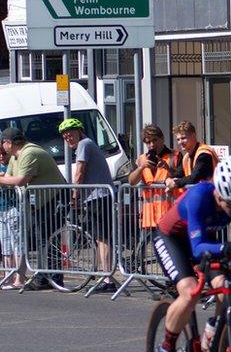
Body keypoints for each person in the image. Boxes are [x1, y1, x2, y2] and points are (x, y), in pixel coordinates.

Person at [152, 157, 231, 352]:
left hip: (204, 241)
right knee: (190, 291)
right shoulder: (199, 196)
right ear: (218, 194)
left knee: (225, 288)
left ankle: (215, 340)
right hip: (172, 239)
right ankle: (166, 349)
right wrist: (228, 248)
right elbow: (198, 249)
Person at [0, 127, 66, 289]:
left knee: (50, 239)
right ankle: (44, 277)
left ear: (9, 143)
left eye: (3, 142)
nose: (2, 145)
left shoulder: (29, 153)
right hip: (39, 202)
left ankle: (55, 278)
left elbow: (21, 180)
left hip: (54, 198)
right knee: (41, 239)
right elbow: (9, 178)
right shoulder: (15, 157)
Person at [59, 118, 117, 292]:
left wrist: (75, 195)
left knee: (102, 238)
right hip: (98, 196)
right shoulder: (87, 144)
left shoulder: (84, 144)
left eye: (70, 134)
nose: (68, 138)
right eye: (65, 136)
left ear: (80, 131)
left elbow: (80, 172)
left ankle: (108, 279)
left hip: (98, 197)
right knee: (101, 237)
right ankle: (106, 276)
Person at [128, 125, 181, 240]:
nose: (152, 145)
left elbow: (182, 177)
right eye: (148, 142)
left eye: (155, 140)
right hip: (149, 216)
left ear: (162, 139)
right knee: (142, 253)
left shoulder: (175, 156)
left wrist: (167, 168)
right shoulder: (142, 159)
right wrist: (141, 168)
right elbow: (131, 181)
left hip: (169, 215)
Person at [166, 121, 219, 190]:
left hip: (213, 196)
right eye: (178, 139)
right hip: (201, 194)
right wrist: (168, 180)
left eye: (183, 138)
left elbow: (194, 178)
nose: (180, 142)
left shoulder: (204, 154)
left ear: (193, 136)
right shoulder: (186, 157)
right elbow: (179, 174)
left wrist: (175, 183)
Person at [0, 146, 24, 289]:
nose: (2, 156)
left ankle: (19, 277)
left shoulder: (12, 165)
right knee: (6, 245)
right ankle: (8, 276)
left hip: (13, 208)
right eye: (0, 154)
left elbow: (13, 181)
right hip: (1, 210)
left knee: (17, 243)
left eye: (4, 153)